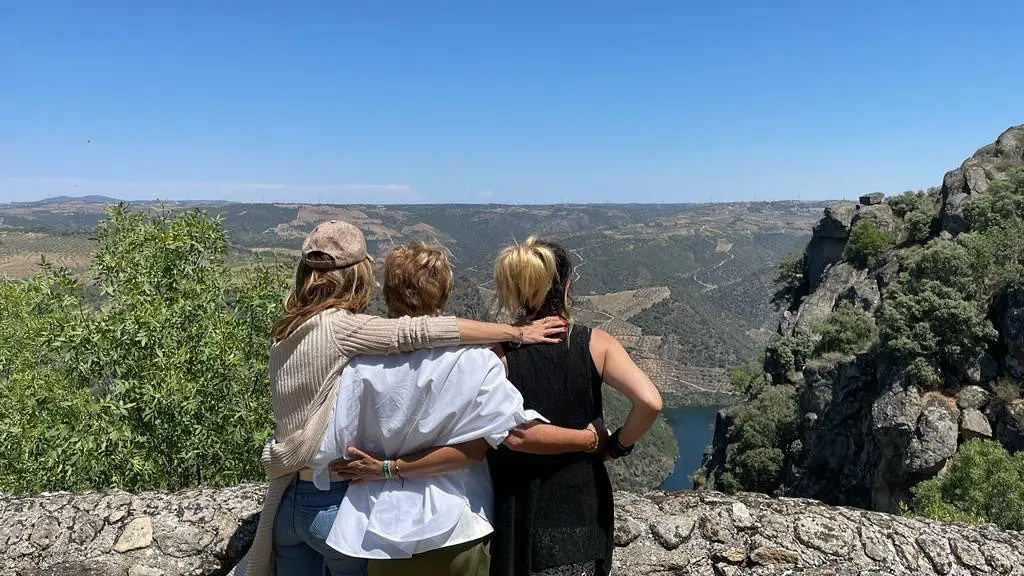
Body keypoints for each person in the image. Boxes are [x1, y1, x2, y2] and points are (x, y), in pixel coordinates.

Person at [229, 222, 565, 576]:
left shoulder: (294, 338)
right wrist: (515, 334)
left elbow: (342, 429)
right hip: (395, 514)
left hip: (307, 503)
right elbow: (418, 331)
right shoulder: (346, 334)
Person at [311, 241, 604, 576]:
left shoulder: (359, 368)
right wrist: (591, 440)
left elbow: (336, 450)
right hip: (457, 523)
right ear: (446, 291)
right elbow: (507, 435)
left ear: (388, 291)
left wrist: (382, 467)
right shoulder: (475, 361)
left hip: (382, 532)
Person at [487, 237, 663, 576]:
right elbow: (650, 402)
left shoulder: (498, 352)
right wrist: (614, 445)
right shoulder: (595, 343)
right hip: (581, 511)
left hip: (516, 512)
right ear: (566, 286)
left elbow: (509, 434)